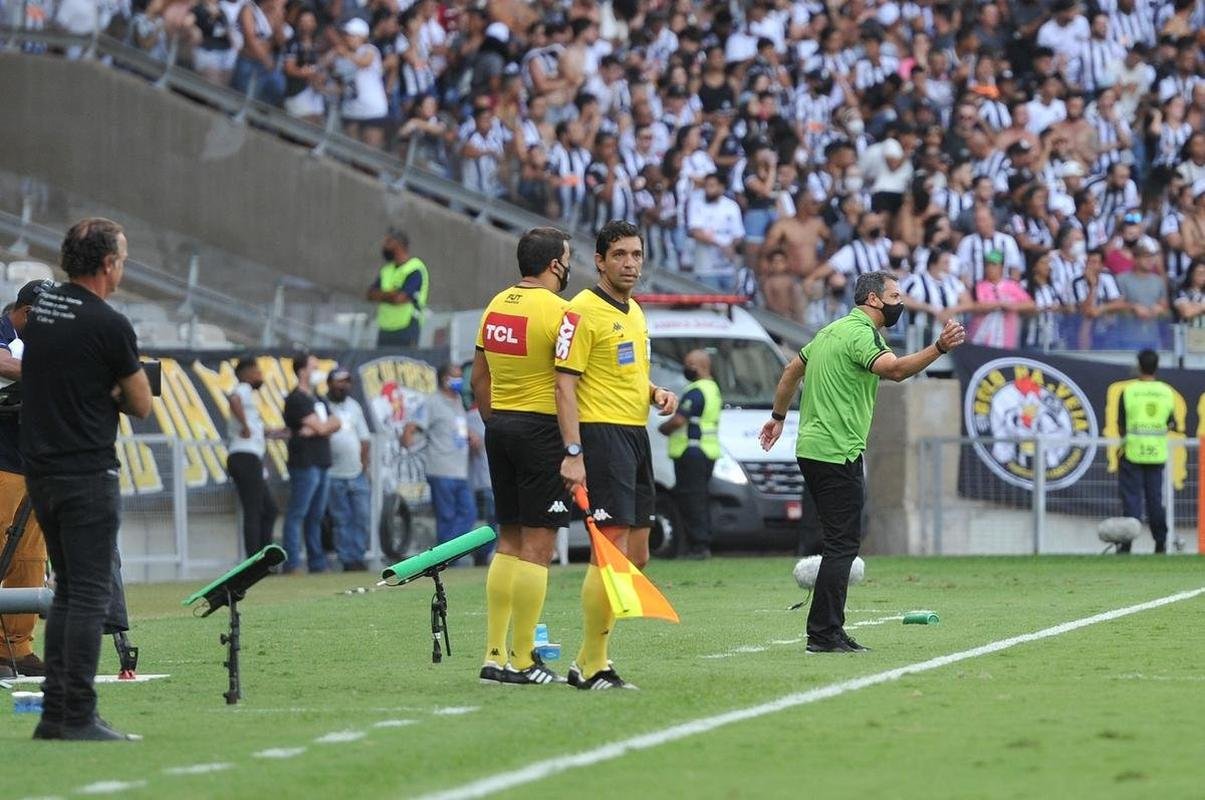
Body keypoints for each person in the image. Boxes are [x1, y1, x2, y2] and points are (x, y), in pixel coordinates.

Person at [758, 270, 966, 653]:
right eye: (895, 296)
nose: (899, 303)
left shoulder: (829, 332)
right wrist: (938, 347)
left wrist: (778, 416)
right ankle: (824, 633)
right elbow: (896, 370)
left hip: (812, 447)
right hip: (837, 450)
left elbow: (792, 370)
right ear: (873, 299)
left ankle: (825, 629)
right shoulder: (862, 335)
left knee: (837, 541)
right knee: (842, 544)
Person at [21, 218, 152, 741]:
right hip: (86, 472)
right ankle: (75, 714)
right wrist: (112, 390)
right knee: (87, 594)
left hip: (42, 472)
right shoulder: (108, 323)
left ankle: (57, 714)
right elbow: (141, 402)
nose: (122, 267)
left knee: (69, 594)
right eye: (121, 258)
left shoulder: (44, 312)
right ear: (107, 264)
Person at [555, 220, 678, 689]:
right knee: (610, 552)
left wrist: (653, 392)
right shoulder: (581, 310)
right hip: (601, 436)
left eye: (637, 255)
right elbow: (564, 384)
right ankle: (593, 665)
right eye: (621, 255)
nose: (630, 263)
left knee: (638, 556)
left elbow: (624, 369)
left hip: (635, 435)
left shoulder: (634, 311)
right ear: (600, 261)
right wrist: (572, 451)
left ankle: (585, 658)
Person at [470, 226, 574, 686]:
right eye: (568, 259)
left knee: (508, 541)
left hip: (501, 428)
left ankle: (494, 655)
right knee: (539, 547)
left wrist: (495, 421)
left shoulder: (495, 305)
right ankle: (523, 657)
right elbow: (566, 383)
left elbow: (479, 378)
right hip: (541, 431)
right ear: (555, 264)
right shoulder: (561, 311)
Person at [0, 280, 53, 677]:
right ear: (30, 312)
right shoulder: (3, 327)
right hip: (2, 459)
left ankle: (15, 648)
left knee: (30, 557)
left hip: (33, 461)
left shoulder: (45, 342)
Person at [657, 349, 721, 560]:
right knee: (698, 499)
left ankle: (698, 547)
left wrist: (663, 428)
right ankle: (699, 544)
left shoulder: (696, 391)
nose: (686, 369)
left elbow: (678, 421)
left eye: (689, 364)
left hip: (692, 452)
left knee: (691, 500)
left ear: (701, 366)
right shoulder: (713, 389)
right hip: (705, 451)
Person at [282, 352, 341, 574]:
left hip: (322, 460)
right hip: (305, 462)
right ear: (302, 371)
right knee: (298, 512)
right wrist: (322, 427)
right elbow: (325, 427)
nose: (317, 372)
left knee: (316, 515)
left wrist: (319, 427)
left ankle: (317, 561)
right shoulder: (296, 399)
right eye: (313, 367)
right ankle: (292, 562)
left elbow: (334, 422)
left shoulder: (318, 399)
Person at [414, 364, 478, 558]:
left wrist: (470, 435)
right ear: (444, 379)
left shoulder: (459, 401)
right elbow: (416, 426)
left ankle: (443, 555)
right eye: (456, 377)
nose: (460, 381)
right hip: (440, 468)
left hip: (460, 469)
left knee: (469, 514)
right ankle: (445, 556)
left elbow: (457, 428)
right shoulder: (432, 402)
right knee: (446, 517)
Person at [1116, 350, 1175, 554]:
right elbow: (1171, 422)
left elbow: (1121, 425)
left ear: (1139, 366)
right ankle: (1160, 543)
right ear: (1156, 366)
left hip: (1132, 451)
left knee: (1131, 501)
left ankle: (1126, 545)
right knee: (1155, 502)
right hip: (1156, 452)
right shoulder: (1166, 392)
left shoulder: (1129, 391)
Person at [226, 357, 278, 558]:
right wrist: (246, 426)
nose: (260, 376)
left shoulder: (249, 397)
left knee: (269, 509)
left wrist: (271, 432)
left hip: (249, 457)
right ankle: (254, 562)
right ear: (245, 373)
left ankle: (264, 559)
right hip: (244, 456)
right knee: (254, 509)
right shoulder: (243, 388)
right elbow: (234, 400)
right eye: (257, 372)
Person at [324, 366, 372, 571]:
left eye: (347, 381)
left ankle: (358, 556)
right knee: (341, 519)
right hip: (333, 473)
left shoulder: (353, 406)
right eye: (339, 381)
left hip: (356, 472)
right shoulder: (322, 405)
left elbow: (364, 438)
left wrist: (364, 466)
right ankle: (347, 560)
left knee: (361, 516)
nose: (344, 385)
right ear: (330, 383)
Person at [367, 229, 429, 348]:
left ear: (399, 245)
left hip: (407, 328)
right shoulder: (386, 270)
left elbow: (399, 299)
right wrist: (392, 294)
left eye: (388, 242)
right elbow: (370, 294)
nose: (384, 247)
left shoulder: (415, 269)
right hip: (385, 329)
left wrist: (383, 295)